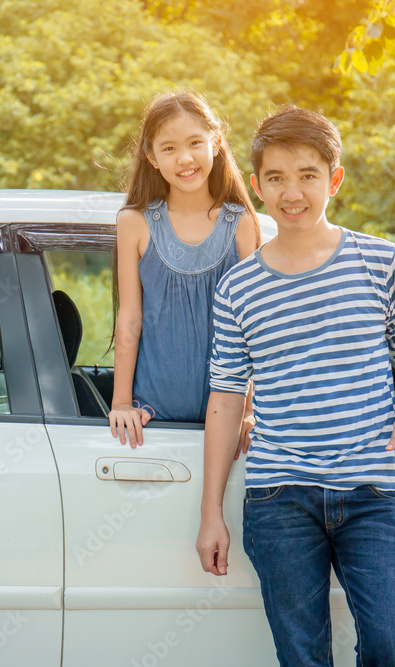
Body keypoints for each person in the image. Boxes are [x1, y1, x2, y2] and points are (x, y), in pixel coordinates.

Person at [196, 105, 395, 666]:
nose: (292, 191)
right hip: (280, 497)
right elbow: (226, 398)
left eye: (307, 175)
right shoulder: (239, 287)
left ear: (334, 179)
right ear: (257, 186)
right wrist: (211, 512)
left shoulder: (382, 261)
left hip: (371, 491)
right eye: (276, 178)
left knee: (393, 647)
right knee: (302, 657)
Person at [109, 90, 261, 448]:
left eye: (195, 142)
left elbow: (252, 326)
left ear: (217, 142)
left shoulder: (240, 225)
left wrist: (251, 410)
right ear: (152, 157)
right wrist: (121, 403)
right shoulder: (135, 223)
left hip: (229, 421)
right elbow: (130, 319)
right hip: (153, 419)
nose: (185, 158)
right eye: (170, 148)